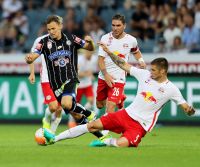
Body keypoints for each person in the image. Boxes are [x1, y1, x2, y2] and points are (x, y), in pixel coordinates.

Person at [43, 42, 195, 148]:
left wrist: (190, 111)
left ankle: (106, 142)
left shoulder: (172, 89)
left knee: (122, 144)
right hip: (125, 115)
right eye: (151, 69)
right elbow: (123, 64)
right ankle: (54, 139)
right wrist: (109, 53)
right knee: (92, 125)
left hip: (140, 125)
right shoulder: (144, 75)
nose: (151, 72)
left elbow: (186, 108)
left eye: (154, 70)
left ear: (163, 71)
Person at [25, 15, 105, 139]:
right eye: (49, 29)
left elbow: (89, 48)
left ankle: (89, 114)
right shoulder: (43, 42)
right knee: (76, 116)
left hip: (70, 78)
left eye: (53, 28)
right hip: (55, 84)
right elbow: (35, 54)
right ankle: (101, 137)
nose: (51, 32)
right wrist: (30, 58)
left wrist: (90, 43)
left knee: (66, 104)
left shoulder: (72, 39)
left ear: (60, 26)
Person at [96, 14, 146, 113]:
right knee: (99, 105)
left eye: (118, 25)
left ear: (124, 26)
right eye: (113, 25)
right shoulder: (105, 38)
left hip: (119, 77)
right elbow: (100, 59)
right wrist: (106, 75)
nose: (115, 28)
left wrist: (141, 61)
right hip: (104, 76)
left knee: (110, 107)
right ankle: (120, 97)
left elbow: (136, 51)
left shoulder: (131, 40)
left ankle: (104, 128)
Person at [28, 35, 63, 134]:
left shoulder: (66, 39)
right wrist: (32, 73)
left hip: (62, 78)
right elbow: (31, 56)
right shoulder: (40, 40)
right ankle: (46, 120)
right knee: (53, 107)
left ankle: (51, 134)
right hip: (46, 78)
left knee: (59, 109)